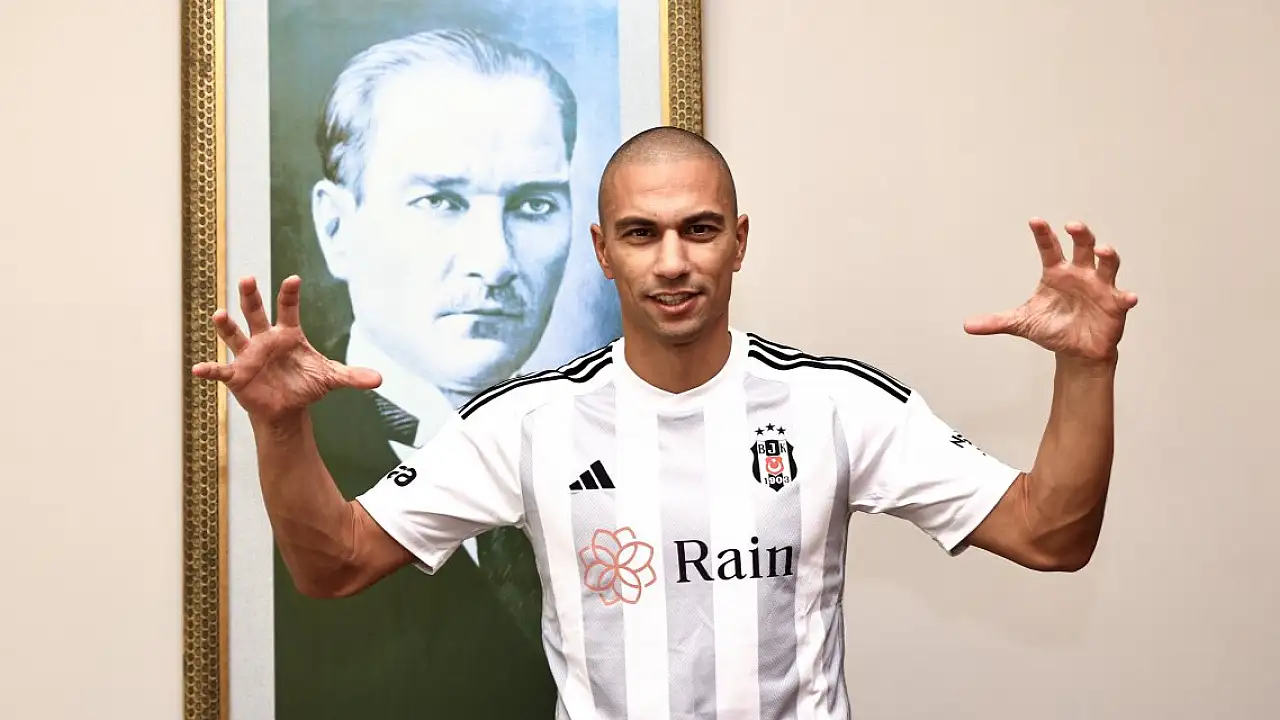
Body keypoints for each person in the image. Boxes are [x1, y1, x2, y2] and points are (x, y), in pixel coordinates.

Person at [197, 125, 1138, 719]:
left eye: (700, 228)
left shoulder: (836, 403)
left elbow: (1049, 535)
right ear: (603, 251)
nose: (674, 260)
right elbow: (334, 564)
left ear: (739, 241)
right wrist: (280, 430)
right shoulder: (527, 422)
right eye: (642, 233)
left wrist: (1086, 370)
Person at [273, 27, 595, 717]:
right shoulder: (280, 458)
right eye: (440, 201)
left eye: (534, 204)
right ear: (335, 228)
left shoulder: (610, 433)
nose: (495, 262)